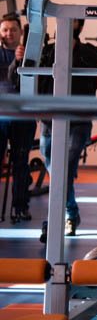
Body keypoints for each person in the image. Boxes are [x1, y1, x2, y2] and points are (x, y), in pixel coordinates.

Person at [17, 19, 97, 239]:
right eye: (62, 21)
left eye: (72, 21)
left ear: (79, 26)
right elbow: (25, 77)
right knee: (58, 170)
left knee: (63, 169)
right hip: (50, 120)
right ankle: (71, 213)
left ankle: (56, 221)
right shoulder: (46, 52)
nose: (65, 24)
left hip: (78, 121)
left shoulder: (90, 52)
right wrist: (21, 58)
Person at [0, 14, 34, 224]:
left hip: (24, 115)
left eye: (13, 29)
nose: (9, 33)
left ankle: (20, 207)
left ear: (21, 32)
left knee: (21, 162)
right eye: (5, 30)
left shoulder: (31, 54)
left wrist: (22, 59)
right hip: (1, 115)